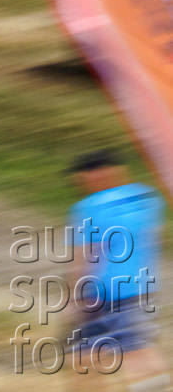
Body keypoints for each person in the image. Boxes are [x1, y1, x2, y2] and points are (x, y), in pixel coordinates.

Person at [68, 150, 169, 388]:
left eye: (81, 176)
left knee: (131, 354)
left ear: (95, 174)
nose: (79, 182)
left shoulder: (90, 206)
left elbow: (85, 255)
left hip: (104, 293)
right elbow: (154, 240)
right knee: (89, 354)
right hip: (141, 288)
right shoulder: (147, 198)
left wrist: (75, 297)